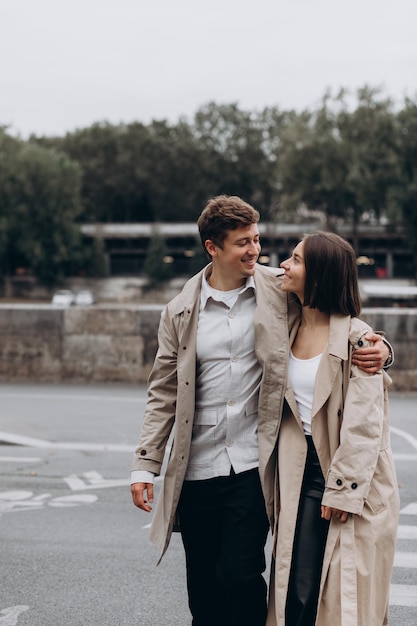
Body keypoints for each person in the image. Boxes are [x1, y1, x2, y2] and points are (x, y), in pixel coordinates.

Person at [130, 197, 391, 626]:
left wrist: (382, 348)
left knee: (242, 575)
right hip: (195, 467)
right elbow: (163, 391)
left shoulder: (278, 288)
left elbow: (336, 319)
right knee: (205, 592)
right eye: (242, 243)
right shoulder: (179, 310)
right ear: (213, 248)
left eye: (257, 239)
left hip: (254, 465)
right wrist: (145, 465)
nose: (255, 251)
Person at [260, 231, 400, 626]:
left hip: (342, 474)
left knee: (340, 595)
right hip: (298, 468)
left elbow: (364, 425)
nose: (284, 264)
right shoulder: (287, 321)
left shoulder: (358, 338)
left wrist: (342, 489)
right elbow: (248, 271)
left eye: (296, 259)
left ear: (319, 276)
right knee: (298, 589)